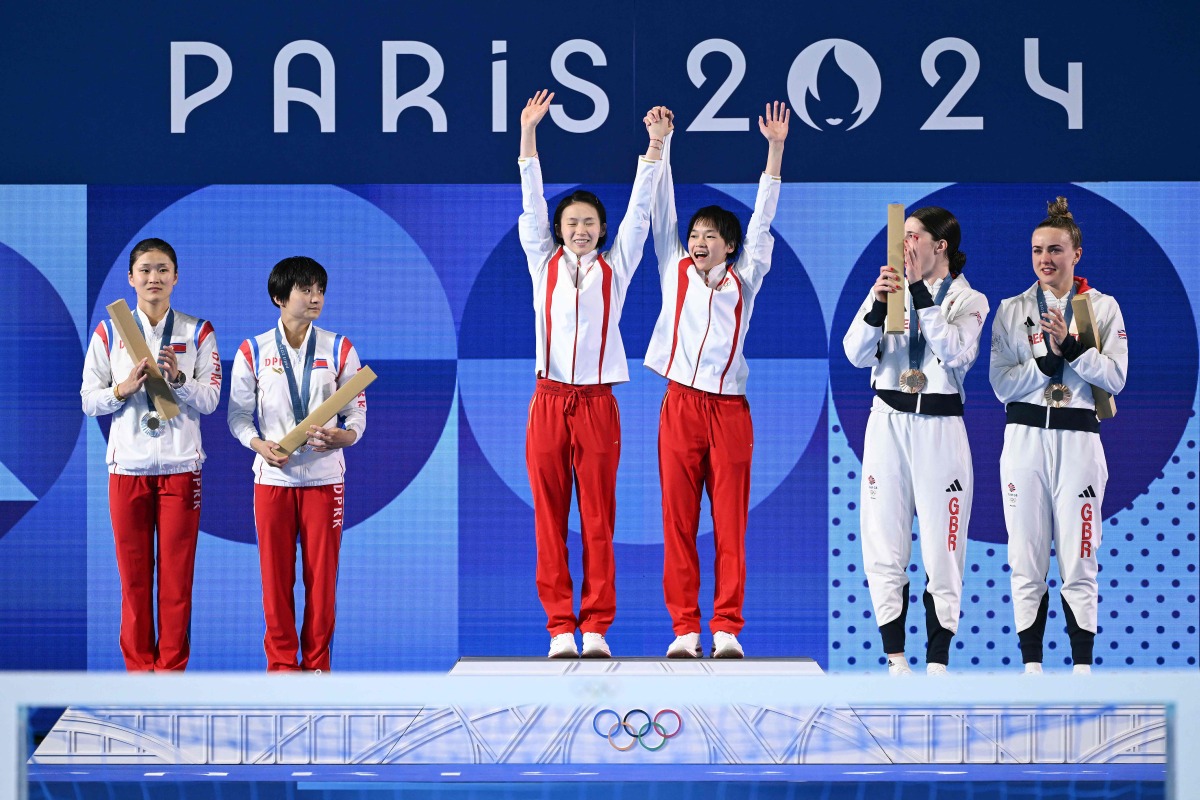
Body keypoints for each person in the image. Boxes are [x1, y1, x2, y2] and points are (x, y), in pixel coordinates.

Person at [518, 90, 669, 659]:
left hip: (599, 404)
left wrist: (655, 147)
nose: (580, 229)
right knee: (550, 519)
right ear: (558, 230)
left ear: (601, 231)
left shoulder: (618, 268)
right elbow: (531, 201)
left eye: (589, 223)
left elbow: (639, 212)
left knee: (598, 518)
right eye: (571, 222)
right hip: (549, 401)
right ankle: (560, 627)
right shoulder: (541, 264)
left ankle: (597, 626)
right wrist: (529, 134)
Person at [644, 102, 789, 659]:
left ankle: (726, 627)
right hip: (679, 406)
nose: (700, 241)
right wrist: (665, 140)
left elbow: (762, 218)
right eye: (696, 234)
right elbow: (662, 206)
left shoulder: (746, 278)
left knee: (729, 524)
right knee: (677, 523)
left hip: (730, 411)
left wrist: (774, 150)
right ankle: (684, 628)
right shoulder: (673, 267)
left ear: (730, 245)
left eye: (711, 235)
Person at [842, 207, 989, 676]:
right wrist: (877, 307)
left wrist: (920, 296)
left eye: (912, 237)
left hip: (940, 430)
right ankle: (895, 658)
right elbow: (854, 353)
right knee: (883, 541)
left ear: (939, 246)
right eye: (901, 237)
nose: (903, 246)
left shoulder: (972, 300)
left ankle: (939, 663)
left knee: (943, 547)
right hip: (886, 422)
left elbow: (955, 353)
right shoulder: (888, 288)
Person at [989, 197, 1127, 675]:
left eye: (1055, 249)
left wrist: (1072, 350)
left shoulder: (1102, 308)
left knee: (1080, 555)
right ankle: (1032, 669)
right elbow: (1000, 383)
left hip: (1078, 442)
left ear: (1077, 254)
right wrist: (1042, 365)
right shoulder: (1011, 309)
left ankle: (1083, 670)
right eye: (1036, 250)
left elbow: (1116, 377)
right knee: (1025, 555)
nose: (1044, 259)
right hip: (1024, 439)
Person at [81, 238, 221, 671]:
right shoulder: (111, 330)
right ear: (131, 278)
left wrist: (178, 381)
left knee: (177, 581)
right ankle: (139, 674)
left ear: (176, 277)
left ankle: (171, 675)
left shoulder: (198, 331)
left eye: (162, 269)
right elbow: (89, 399)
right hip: (128, 470)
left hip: (181, 471)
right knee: (134, 581)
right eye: (145, 270)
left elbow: (213, 399)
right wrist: (122, 389)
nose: (153, 278)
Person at [227, 256, 366, 672]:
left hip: (325, 480)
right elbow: (237, 415)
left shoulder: (340, 347)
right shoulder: (253, 350)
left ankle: (319, 666)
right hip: (273, 479)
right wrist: (256, 444)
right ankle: (282, 667)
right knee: (275, 579)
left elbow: (356, 411)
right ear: (279, 297)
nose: (315, 298)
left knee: (321, 580)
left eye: (320, 290)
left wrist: (346, 436)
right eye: (305, 290)